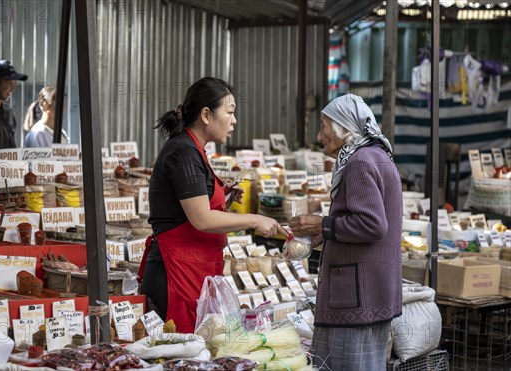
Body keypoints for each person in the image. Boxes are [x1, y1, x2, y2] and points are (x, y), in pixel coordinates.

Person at [139, 77, 288, 333]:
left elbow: (189, 207)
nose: (234, 120)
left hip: (195, 268)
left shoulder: (194, 150)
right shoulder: (183, 153)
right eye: (229, 112)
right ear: (206, 115)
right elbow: (202, 219)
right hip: (176, 272)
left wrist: (223, 198)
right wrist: (255, 219)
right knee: (182, 351)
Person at [288, 94, 402, 370]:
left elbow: (372, 225)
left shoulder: (360, 162)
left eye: (324, 126)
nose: (319, 136)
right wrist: (324, 233)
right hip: (368, 291)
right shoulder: (374, 156)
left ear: (343, 127)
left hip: (356, 296)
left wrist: (322, 224)